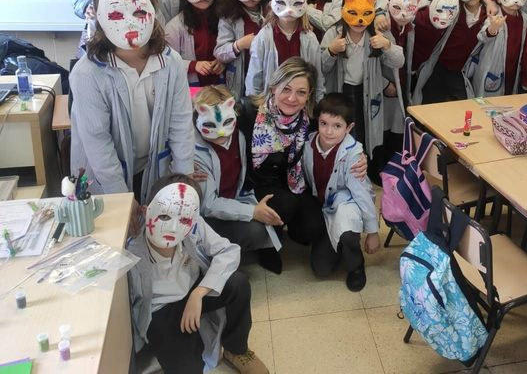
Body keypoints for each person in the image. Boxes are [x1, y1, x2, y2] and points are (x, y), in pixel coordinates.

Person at [70, 0, 194, 204]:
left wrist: (184, 181)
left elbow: (181, 123)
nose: (129, 23)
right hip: (106, 177)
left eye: (138, 12)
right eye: (116, 15)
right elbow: (98, 144)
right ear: (99, 18)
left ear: (153, 12)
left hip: (153, 167)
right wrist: (124, 201)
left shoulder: (172, 62)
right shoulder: (86, 73)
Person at [127, 175, 269, 374]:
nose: (174, 228)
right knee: (188, 368)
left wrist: (199, 293)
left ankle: (236, 349)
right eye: (165, 216)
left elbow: (229, 251)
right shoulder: (132, 254)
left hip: (191, 290)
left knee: (237, 283)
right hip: (159, 310)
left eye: (184, 219)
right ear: (145, 210)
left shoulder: (194, 226)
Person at [238, 58, 367, 274]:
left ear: (309, 95)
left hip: (294, 184)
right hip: (256, 186)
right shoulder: (249, 113)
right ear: (273, 87)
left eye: (301, 92)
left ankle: (289, 227)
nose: (292, 98)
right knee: (285, 204)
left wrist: (359, 155)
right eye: (286, 89)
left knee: (312, 227)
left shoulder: (310, 119)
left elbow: (338, 134)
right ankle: (267, 243)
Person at [192, 86, 281, 270]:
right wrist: (252, 212)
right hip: (208, 215)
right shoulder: (193, 152)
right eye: (211, 125)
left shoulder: (239, 135)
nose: (221, 132)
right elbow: (208, 205)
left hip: (236, 199)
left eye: (227, 122)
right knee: (255, 231)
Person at [301, 93, 380, 291]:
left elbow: (362, 195)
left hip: (345, 205)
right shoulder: (308, 145)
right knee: (321, 269)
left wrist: (372, 232)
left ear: (349, 128)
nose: (329, 131)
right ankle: (334, 242)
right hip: (322, 207)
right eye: (323, 124)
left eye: (337, 126)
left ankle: (356, 265)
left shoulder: (353, 155)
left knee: (346, 224)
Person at [320, 0, 404, 161]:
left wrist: (387, 45)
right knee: (343, 131)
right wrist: (331, 51)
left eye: (366, 13)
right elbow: (322, 68)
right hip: (341, 91)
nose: (360, 20)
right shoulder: (333, 33)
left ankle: (366, 164)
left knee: (368, 131)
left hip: (368, 90)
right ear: (343, 11)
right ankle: (341, 164)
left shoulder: (378, 33)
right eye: (353, 13)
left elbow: (399, 62)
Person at [244, 0, 324, 99]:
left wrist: (317, 102)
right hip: (270, 102)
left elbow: (317, 76)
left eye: (296, 3)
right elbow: (254, 77)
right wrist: (255, 104)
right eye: (282, 2)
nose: (289, 10)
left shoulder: (310, 38)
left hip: (299, 102)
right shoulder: (263, 37)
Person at [465, 0, 527, 97]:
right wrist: (493, 29)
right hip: (492, 70)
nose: (515, 0)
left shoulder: (525, 18)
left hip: (513, 72)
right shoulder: (493, 16)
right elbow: (482, 36)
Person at [214, 0, 270, 99]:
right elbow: (219, 52)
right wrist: (239, 45)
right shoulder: (228, 16)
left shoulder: (272, 10)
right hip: (240, 79)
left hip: (267, 75)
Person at [164, 0, 225, 87]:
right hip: (191, 88)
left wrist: (224, 61)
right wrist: (193, 65)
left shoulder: (226, 20)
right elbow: (166, 59)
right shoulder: (174, 27)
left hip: (223, 85)